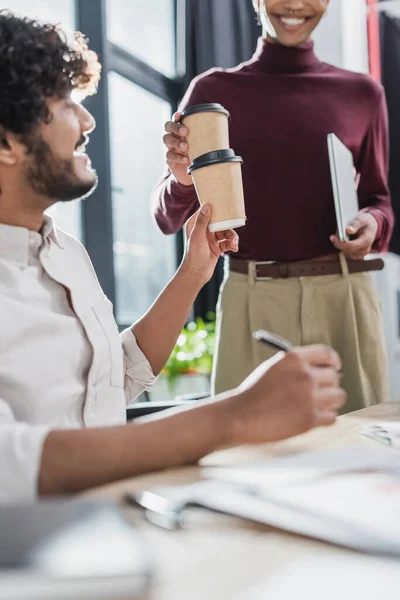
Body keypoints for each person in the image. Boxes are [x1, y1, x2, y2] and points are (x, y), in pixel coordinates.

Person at [0, 11, 345, 502]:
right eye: (64, 102)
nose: (87, 120)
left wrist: (192, 273)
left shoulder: (64, 253)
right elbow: (11, 463)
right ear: (6, 141)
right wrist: (235, 415)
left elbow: (112, 381)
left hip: (115, 519)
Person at [152, 0, 394, 413]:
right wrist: (180, 178)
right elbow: (167, 217)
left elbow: (379, 200)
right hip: (252, 299)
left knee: (359, 454)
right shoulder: (212, 92)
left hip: (345, 299)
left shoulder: (363, 93)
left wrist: (371, 223)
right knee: (245, 459)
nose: (297, 4)